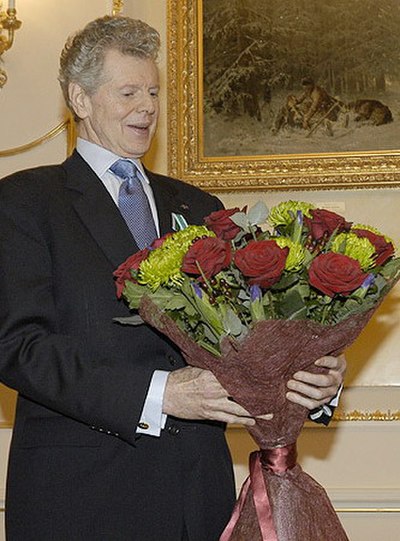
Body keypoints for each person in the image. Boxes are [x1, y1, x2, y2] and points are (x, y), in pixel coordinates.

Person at [0, 16, 346, 541]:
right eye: (129, 91)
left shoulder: (201, 207)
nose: (148, 106)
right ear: (81, 98)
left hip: (198, 499)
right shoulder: (25, 202)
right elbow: (18, 347)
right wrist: (161, 394)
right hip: (80, 500)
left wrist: (309, 384)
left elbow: (244, 343)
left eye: (155, 91)